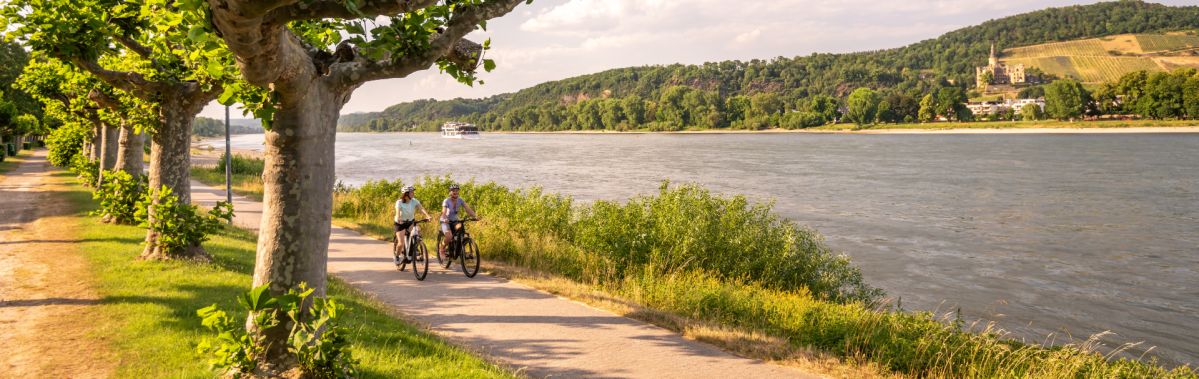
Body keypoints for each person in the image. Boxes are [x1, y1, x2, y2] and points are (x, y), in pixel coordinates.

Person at [438, 183, 479, 259]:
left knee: (460, 230)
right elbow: (443, 211)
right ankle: (442, 248)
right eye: (453, 190)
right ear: (450, 192)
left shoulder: (460, 200)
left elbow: (468, 209)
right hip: (445, 221)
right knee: (449, 236)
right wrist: (444, 218)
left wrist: (475, 216)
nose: (455, 192)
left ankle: (458, 249)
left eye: (457, 190)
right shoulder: (446, 201)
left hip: (454, 220)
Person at [394, 185, 432, 265]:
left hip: (410, 222)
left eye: (413, 192)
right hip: (400, 223)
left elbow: (421, 208)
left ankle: (415, 248)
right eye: (411, 192)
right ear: (406, 194)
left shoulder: (414, 201)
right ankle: (397, 256)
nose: (413, 193)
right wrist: (399, 218)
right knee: (401, 243)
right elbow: (398, 212)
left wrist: (427, 215)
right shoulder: (399, 202)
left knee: (417, 231)